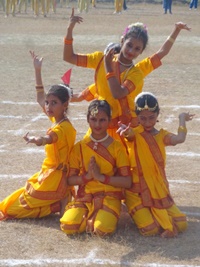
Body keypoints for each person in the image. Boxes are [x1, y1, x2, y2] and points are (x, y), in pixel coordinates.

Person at [63, 9, 191, 145]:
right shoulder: (100, 59)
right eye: (129, 45)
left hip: (126, 130)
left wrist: (176, 30)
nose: (131, 51)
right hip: (101, 126)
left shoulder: (136, 72)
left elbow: (118, 93)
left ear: (141, 51)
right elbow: (68, 57)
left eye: (137, 49)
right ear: (122, 40)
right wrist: (70, 29)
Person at [0, 52, 76, 221]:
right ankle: (61, 200)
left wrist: (38, 140)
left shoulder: (62, 128)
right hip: (49, 174)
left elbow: (50, 139)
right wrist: (37, 70)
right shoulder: (58, 118)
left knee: (12, 210)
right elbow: (40, 97)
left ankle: (56, 204)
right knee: (13, 199)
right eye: (48, 103)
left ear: (65, 105)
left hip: (55, 178)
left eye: (53, 103)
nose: (48, 106)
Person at [117, 92, 195, 237]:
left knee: (182, 224)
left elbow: (180, 139)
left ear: (158, 114)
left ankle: (154, 215)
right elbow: (129, 135)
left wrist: (181, 119)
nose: (147, 122)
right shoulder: (135, 133)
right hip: (136, 191)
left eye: (151, 118)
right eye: (143, 118)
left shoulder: (161, 135)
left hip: (158, 189)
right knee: (150, 230)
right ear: (137, 116)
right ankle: (137, 210)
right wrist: (126, 132)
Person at [60, 100, 132, 236]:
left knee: (101, 230)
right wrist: (87, 177)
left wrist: (101, 178)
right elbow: (69, 180)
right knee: (69, 226)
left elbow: (127, 181)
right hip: (85, 196)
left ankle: (105, 214)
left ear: (109, 121)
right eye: (93, 119)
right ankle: (89, 216)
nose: (97, 124)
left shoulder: (117, 147)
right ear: (87, 119)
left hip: (109, 195)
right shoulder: (79, 147)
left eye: (102, 120)